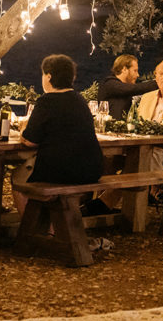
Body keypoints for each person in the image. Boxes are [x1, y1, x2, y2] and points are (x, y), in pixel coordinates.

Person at [12, 54, 104, 214]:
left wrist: (22, 127)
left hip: (61, 172)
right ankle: (49, 223)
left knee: (17, 178)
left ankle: (29, 225)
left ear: (48, 76)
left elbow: (29, 141)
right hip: (91, 170)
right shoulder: (80, 100)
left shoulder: (47, 101)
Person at [97, 54, 158, 119]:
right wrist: (158, 83)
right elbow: (133, 89)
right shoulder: (109, 83)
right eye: (135, 71)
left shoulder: (124, 88)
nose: (138, 75)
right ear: (124, 69)